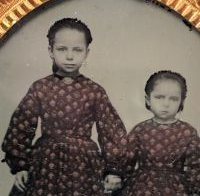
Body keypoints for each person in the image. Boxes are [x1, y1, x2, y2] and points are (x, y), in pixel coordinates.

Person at [1, 18, 127, 196]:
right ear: (50, 51)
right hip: (45, 164)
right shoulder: (40, 88)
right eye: (62, 49)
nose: (70, 56)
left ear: (87, 53)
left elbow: (111, 130)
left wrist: (114, 170)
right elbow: (20, 125)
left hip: (84, 167)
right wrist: (20, 165)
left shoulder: (95, 91)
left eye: (77, 50)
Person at [122, 70, 200, 196]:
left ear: (182, 102)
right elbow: (126, 161)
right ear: (148, 100)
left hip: (176, 189)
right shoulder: (140, 130)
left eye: (173, 99)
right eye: (159, 97)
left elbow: (196, 167)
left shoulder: (188, 132)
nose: (166, 104)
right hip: (141, 188)